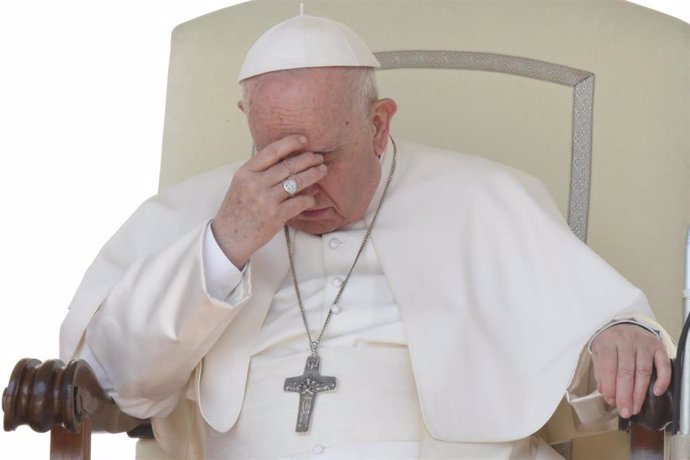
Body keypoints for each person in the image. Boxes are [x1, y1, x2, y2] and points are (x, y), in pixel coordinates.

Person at [60, 12, 673, 460]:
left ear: (379, 126)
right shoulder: (195, 211)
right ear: (247, 123)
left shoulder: (485, 197)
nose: (297, 188)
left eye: (322, 156)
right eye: (274, 158)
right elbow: (110, 376)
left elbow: (605, 322)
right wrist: (224, 246)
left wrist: (622, 332)